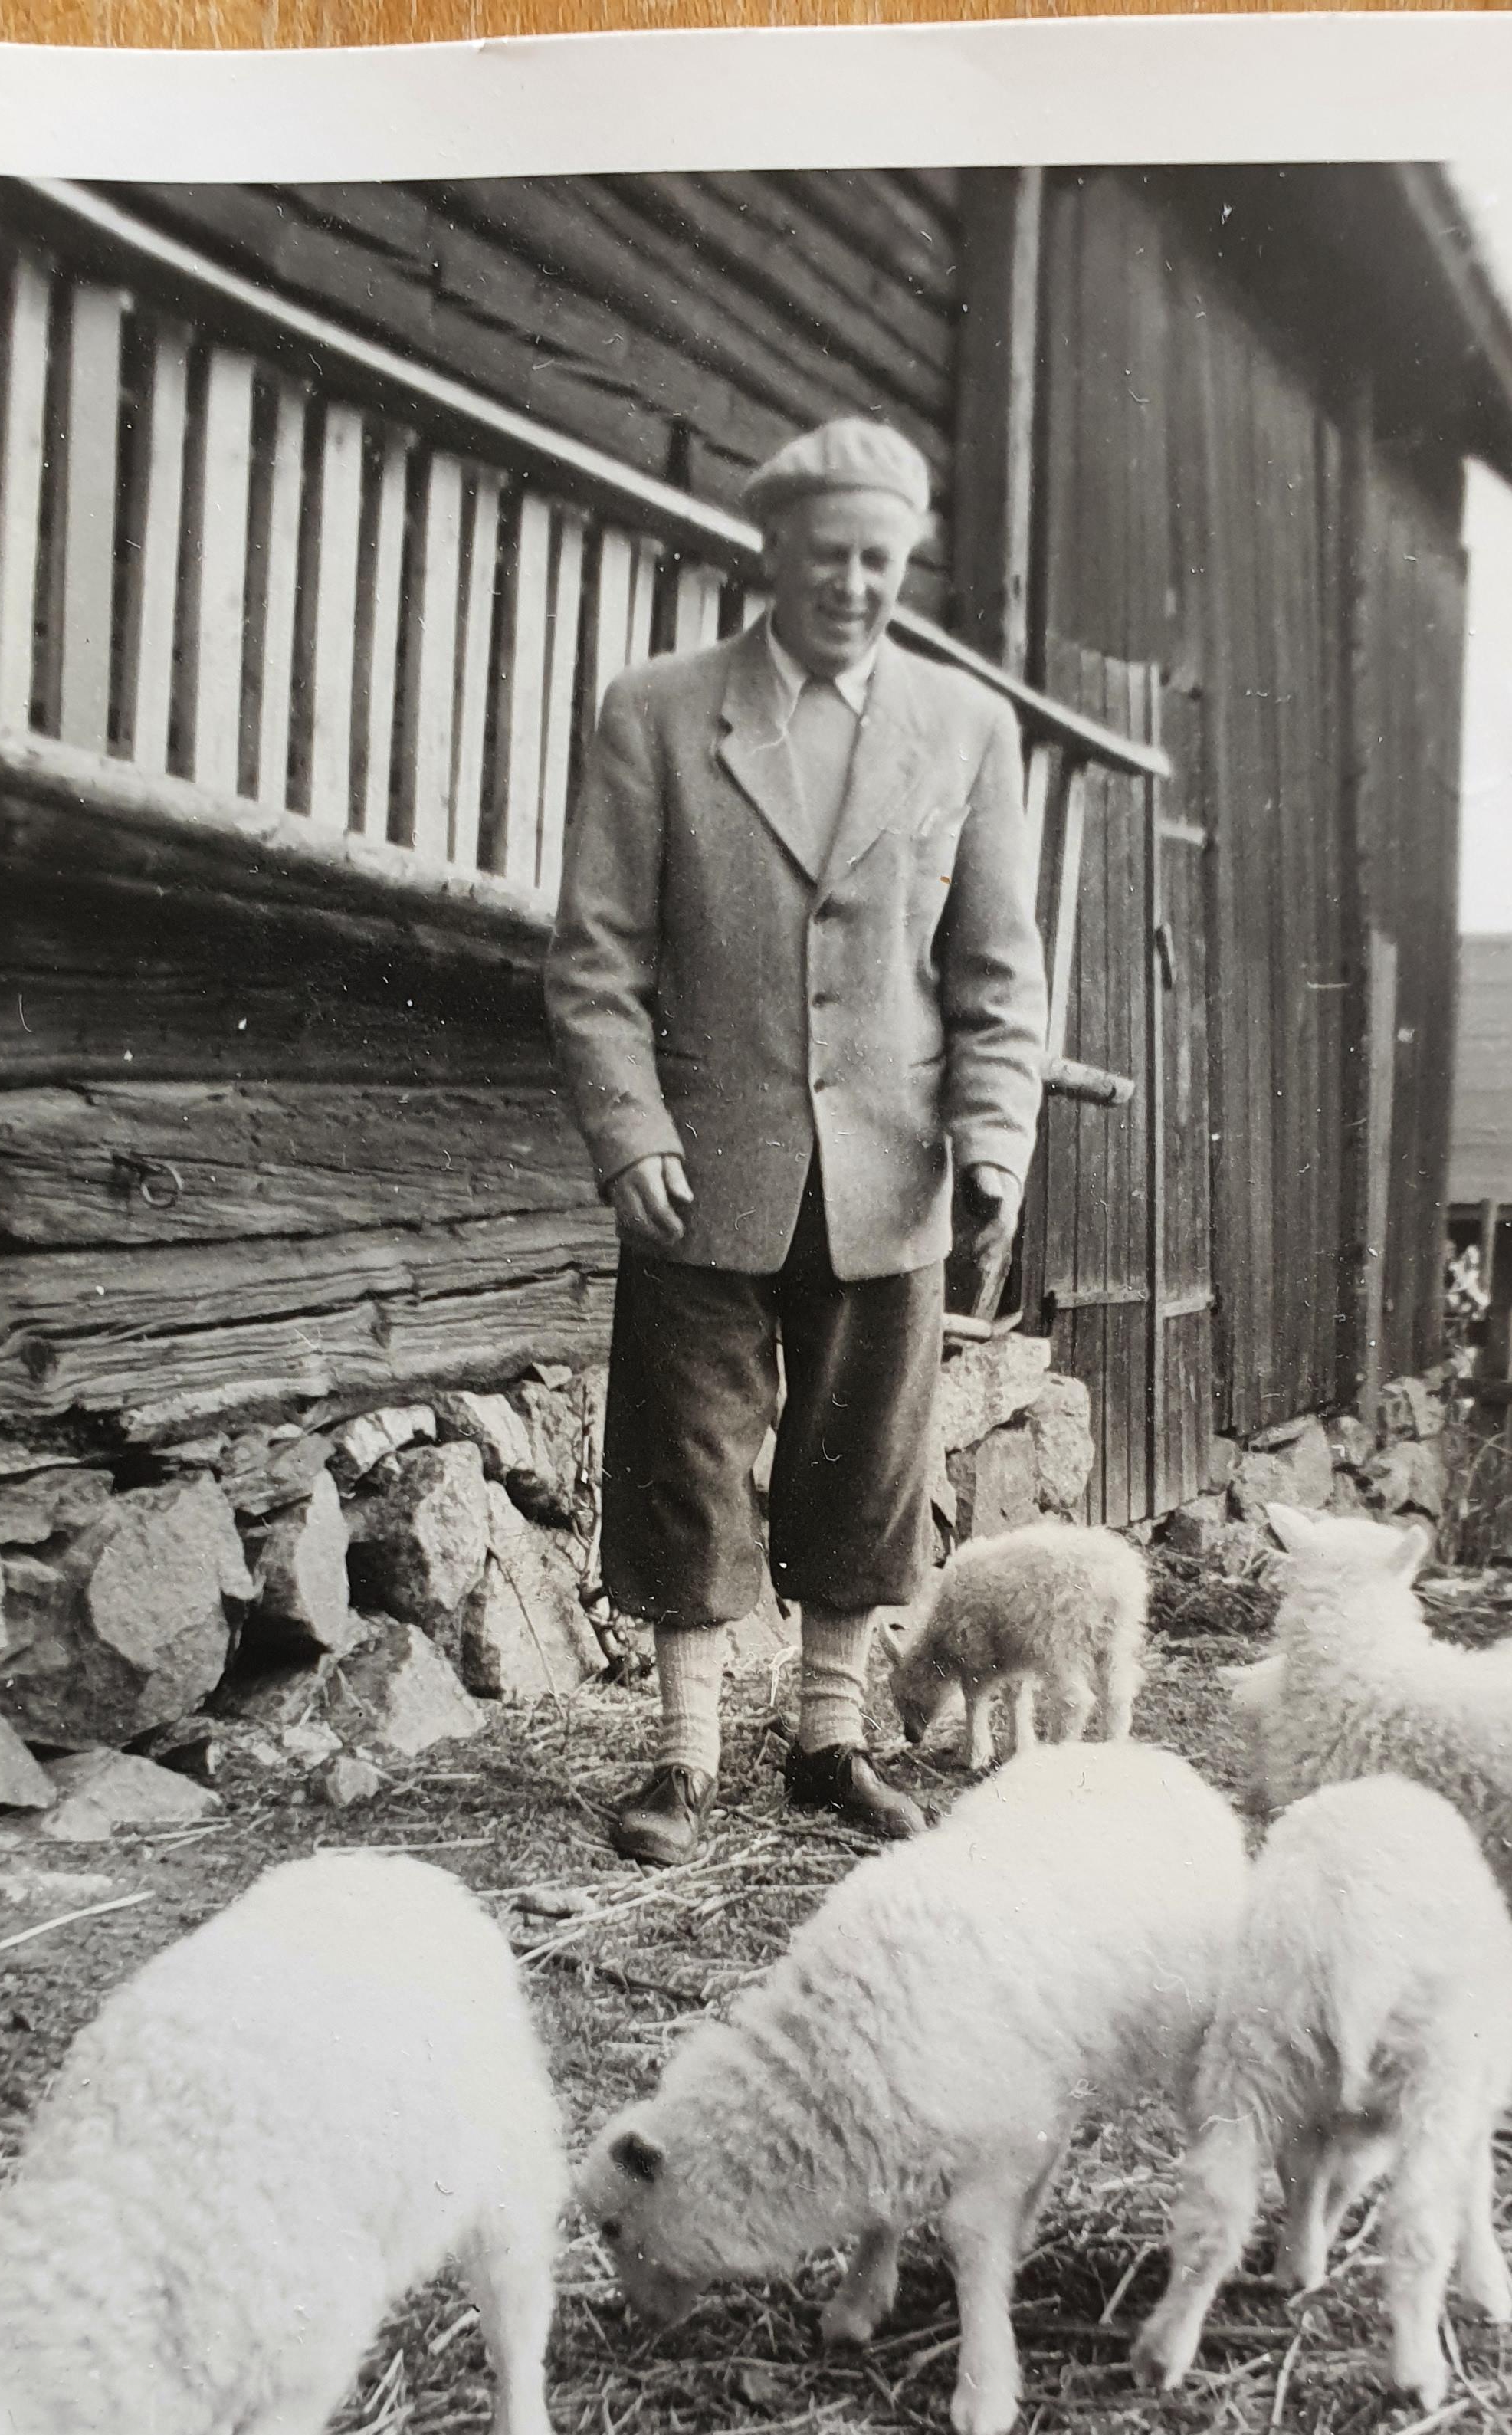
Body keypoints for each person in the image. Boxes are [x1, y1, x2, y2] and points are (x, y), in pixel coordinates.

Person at [547, 417, 1050, 1865]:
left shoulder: (965, 730)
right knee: (688, 1454)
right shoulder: (658, 713)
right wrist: (627, 1124)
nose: (854, 586)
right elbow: (594, 961)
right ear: (771, 554)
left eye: (881, 562)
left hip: (892, 1161)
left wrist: (995, 1145)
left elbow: (997, 970)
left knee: (865, 1460)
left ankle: (829, 1741)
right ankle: (683, 1758)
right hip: (705, 1159)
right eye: (828, 557)